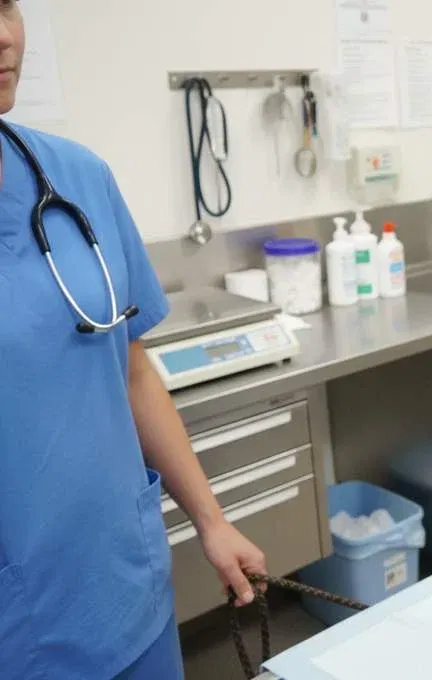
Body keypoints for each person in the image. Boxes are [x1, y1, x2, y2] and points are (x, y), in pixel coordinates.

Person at [0, 3, 269, 678]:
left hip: (125, 589)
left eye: (5, 5)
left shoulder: (75, 177)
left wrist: (211, 521)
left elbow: (131, 369)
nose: (4, 35)